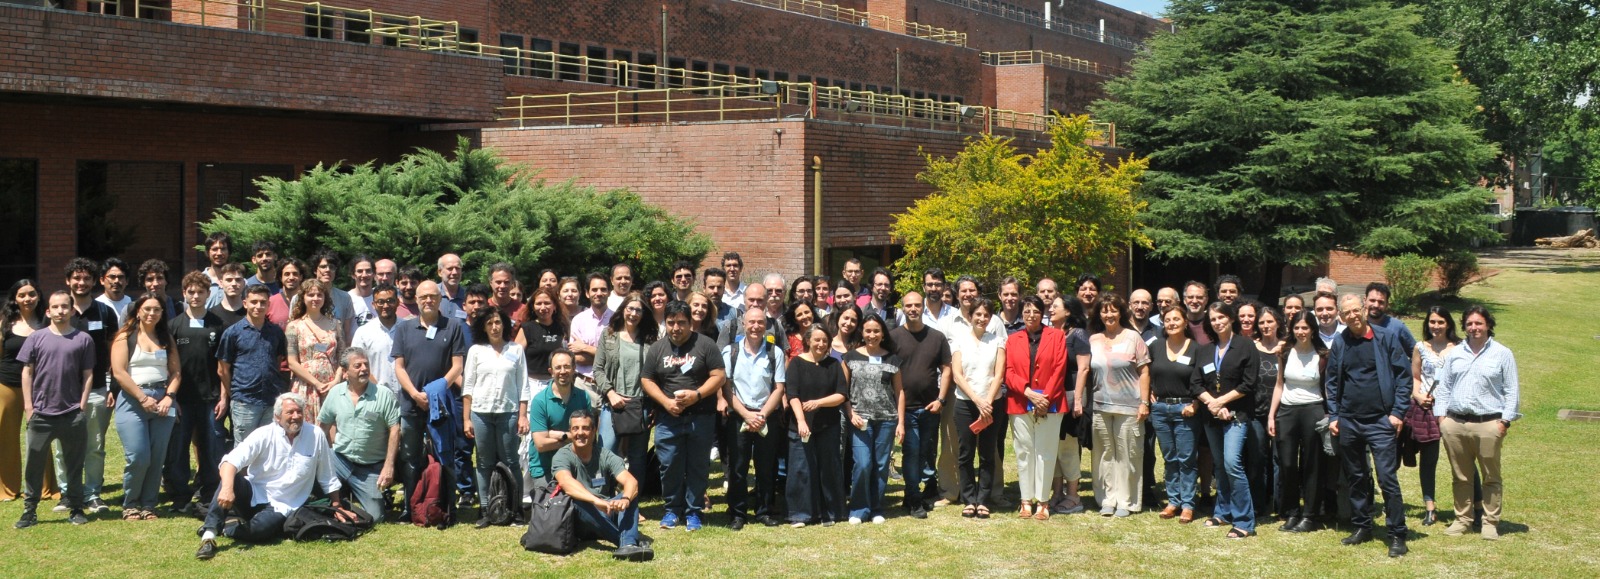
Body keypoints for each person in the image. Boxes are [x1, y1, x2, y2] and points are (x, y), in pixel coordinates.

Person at [195, 393, 355, 560]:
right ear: (277, 417)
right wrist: (227, 489)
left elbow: (327, 476)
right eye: (290, 412)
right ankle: (209, 535)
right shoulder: (264, 434)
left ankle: (228, 528)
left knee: (259, 532)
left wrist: (337, 506)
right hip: (254, 493)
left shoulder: (316, 435)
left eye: (299, 412)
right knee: (231, 479)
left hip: (282, 505)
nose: (296, 417)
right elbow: (230, 461)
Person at [1325, 294, 1413, 557]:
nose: (1352, 315)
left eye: (1356, 310)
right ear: (1341, 317)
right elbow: (1331, 381)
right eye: (1347, 312)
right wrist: (1334, 416)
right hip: (1349, 421)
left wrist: (1397, 413)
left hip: (1380, 421)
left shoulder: (1385, 338)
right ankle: (1362, 526)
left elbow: (1404, 377)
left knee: (1387, 479)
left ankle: (1397, 533)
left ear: (1364, 309)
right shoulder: (1340, 342)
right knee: (1356, 477)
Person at [640, 301, 726, 532]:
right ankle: (672, 510)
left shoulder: (705, 345)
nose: (676, 327)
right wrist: (666, 402)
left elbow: (719, 375)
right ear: (665, 323)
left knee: (698, 465)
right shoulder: (658, 348)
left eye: (681, 322)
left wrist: (697, 395)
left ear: (690, 323)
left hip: (701, 416)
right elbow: (646, 379)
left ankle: (694, 512)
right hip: (668, 418)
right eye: (671, 322)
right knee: (669, 465)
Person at [1435, 305, 1518, 541]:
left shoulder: (1503, 353)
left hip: (1489, 424)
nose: (1474, 328)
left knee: (1491, 477)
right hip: (1456, 423)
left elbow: (1511, 391)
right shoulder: (1455, 353)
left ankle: (1490, 522)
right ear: (1464, 326)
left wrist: (1504, 422)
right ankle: (1463, 519)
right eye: (1470, 324)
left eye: (1478, 323)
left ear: (1488, 325)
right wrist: (1442, 419)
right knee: (1461, 476)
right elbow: (1445, 388)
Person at [14, 291, 95, 529]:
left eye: (64, 307)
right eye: (55, 307)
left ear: (71, 310)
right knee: (34, 465)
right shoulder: (36, 338)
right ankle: (30, 510)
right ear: (48, 311)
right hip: (40, 414)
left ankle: (76, 507)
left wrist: (82, 404)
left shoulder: (83, 339)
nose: (60, 311)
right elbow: (26, 372)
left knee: (74, 463)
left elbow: (88, 375)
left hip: (71, 413)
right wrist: (29, 407)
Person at [390, 280, 468, 511]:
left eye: (433, 296)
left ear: (440, 298)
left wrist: (434, 392)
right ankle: (410, 506)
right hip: (411, 403)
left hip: (441, 403)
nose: (428, 300)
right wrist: (416, 394)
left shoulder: (452, 326)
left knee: (445, 454)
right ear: (416, 298)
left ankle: (447, 505)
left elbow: (457, 366)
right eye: (423, 296)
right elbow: (399, 367)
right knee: (410, 457)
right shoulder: (404, 327)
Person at [109, 293, 181, 521]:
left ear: (162, 313)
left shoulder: (165, 337)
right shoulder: (124, 337)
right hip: (133, 401)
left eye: (157, 310)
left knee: (157, 457)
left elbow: (176, 372)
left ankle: (149, 505)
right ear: (138, 311)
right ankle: (131, 504)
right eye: (147, 309)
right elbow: (119, 372)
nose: (152, 313)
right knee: (139, 456)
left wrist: (169, 396)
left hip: (163, 401)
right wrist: (142, 398)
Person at [550, 409, 654, 561]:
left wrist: (624, 499)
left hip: (607, 512)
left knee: (631, 495)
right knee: (575, 499)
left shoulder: (605, 455)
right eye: (575, 428)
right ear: (570, 432)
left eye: (585, 428)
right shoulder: (562, 455)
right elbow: (566, 483)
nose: (580, 433)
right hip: (581, 519)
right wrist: (596, 501)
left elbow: (631, 481)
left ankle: (629, 545)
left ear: (594, 431)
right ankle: (626, 542)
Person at [1083, 293, 1151, 518]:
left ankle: (1126, 500)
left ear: (1121, 312)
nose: (1109, 314)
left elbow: (1144, 371)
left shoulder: (1133, 337)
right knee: (1104, 455)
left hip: (1130, 407)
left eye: (1113, 310)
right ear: (1099, 314)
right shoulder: (1094, 339)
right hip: (1101, 406)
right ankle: (1107, 499)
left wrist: (1144, 402)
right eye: (1104, 310)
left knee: (1128, 455)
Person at [165, 272, 228, 515]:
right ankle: (180, 494)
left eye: (200, 292)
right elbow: (170, 366)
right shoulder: (174, 325)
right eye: (190, 292)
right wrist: (172, 398)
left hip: (211, 398)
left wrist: (224, 396)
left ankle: (209, 491)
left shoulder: (218, 324)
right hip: (182, 399)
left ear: (207, 294)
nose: (195, 296)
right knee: (179, 447)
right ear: (184, 294)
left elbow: (223, 366)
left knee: (210, 446)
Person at [1196, 301, 1259, 539]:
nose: (1217, 322)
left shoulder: (1245, 346)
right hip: (1211, 416)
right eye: (1213, 319)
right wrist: (1212, 404)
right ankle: (1222, 512)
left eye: (1221, 317)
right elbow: (1196, 383)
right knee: (1220, 465)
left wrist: (1221, 402)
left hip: (1237, 416)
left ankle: (1244, 521)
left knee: (1233, 464)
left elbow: (1248, 383)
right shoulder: (1205, 349)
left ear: (1230, 318)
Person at [720, 308, 787, 529]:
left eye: (760, 322)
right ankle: (737, 513)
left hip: (765, 415)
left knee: (766, 467)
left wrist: (762, 415)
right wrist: (747, 415)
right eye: (752, 322)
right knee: (738, 468)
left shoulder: (775, 352)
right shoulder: (731, 351)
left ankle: (764, 511)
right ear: (744, 324)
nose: (756, 326)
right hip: (740, 416)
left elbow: (778, 388)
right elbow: (727, 388)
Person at [461, 309, 529, 526]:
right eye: (489, 323)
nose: (494, 327)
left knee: (511, 462)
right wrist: (466, 418)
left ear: (504, 325)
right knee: (483, 462)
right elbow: (468, 386)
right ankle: (485, 509)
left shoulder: (516, 350)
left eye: (498, 322)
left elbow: (523, 385)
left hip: (508, 413)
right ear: (483, 326)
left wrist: (522, 415)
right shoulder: (476, 351)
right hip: (480, 413)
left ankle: (515, 508)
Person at [316, 347, 400, 520]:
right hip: (340, 460)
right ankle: (341, 500)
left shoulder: (384, 395)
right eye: (358, 366)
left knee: (376, 517)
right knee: (312, 486)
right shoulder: (335, 393)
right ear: (345, 372)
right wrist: (315, 458)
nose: (364, 369)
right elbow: (322, 428)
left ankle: (345, 498)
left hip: (370, 467)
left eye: (366, 364)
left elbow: (395, 429)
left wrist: (389, 466)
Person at [63, 258, 118, 514]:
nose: (81, 282)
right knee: (64, 445)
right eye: (76, 278)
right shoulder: (59, 311)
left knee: (95, 444)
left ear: (94, 282)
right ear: (68, 281)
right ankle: (67, 493)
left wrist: (111, 387)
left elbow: (113, 352)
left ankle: (93, 494)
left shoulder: (105, 312)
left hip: (97, 387)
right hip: (63, 392)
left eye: (86, 278)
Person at [1005, 296, 1068, 520]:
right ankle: (1025, 500)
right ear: (1022, 314)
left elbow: (1059, 369)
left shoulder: (1057, 336)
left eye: (1036, 311)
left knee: (1046, 452)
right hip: (1020, 402)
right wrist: (1028, 392)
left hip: (1051, 404)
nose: (1031, 315)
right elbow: (1009, 371)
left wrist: (1045, 398)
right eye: (1027, 311)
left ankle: (1043, 501)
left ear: (1043, 314)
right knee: (1024, 452)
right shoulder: (1013, 339)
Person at [889, 292, 950, 519]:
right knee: (911, 452)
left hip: (930, 407)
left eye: (917, 305)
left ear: (923, 307)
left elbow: (946, 369)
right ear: (903, 308)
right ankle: (915, 499)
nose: (913, 309)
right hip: (906, 408)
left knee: (925, 453)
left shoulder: (937, 337)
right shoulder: (893, 337)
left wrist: (941, 399)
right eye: (908, 305)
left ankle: (912, 492)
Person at [841, 314, 903, 525]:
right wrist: (851, 414)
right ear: (862, 332)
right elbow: (843, 391)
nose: (872, 335)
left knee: (881, 464)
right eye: (868, 331)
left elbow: (900, 392)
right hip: (860, 419)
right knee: (863, 463)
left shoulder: (892, 359)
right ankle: (858, 509)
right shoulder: (850, 357)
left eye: (876, 331)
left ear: (883, 333)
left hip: (886, 419)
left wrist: (900, 422)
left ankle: (876, 508)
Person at [1269, 310, 1327, 533]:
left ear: (1313, 329)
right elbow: (1279, 385)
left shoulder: (1322, 354)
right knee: (1287, 463)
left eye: (1305, 327)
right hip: (1287, 411)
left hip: (1313, 410)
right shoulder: (1284, 351)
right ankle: (1291, 512)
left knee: (1311, 465)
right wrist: (1271, 415)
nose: (1301, 332)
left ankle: (1309, 515)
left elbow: (1328, 389)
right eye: (1297, 328)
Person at [785, 324, 848, 527]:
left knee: (828, 468)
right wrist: (801, 420)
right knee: (801, 469)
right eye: (817, 340)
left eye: (824, 340)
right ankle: (800, 515)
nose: (821, 344)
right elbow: (792, 394)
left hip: (828, 424)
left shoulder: (834, 364)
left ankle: (830, 513)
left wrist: (818, 403)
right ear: (808, 341)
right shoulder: (796, 363)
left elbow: (841, 394)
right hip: (801, 425)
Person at [594, 292, 657, 490]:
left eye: (638, 310)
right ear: (623, 310)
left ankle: (631, 501)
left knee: (637, 456)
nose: (634, 313)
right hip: (612, 403)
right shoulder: (609, 333)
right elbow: (598, 369)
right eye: (630, 308)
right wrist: (610, 393)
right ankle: (603, 495)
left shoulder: (650, 338)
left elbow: (656, 374)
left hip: (640, 404)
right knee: (606, 451)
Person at [949, 297, 1005, 519]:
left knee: (988, 453)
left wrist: (988, 402)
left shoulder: (998, 341)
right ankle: (968, 499)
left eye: (986, 315)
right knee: (965, 453)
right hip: (965, 404)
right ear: (970, 316)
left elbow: (999, 374)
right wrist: (977, 400)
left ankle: (983, 500)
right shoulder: (958, 341)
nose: (982, 318)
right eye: (978, 314)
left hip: (992, 404)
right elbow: (957, 375)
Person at [1149, 306, 1203, 523]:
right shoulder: (1156, 347)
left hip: (1186, 410)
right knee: (1169, 457)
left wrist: (1196, 404)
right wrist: (1149, 394)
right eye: (1167, 320)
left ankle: (1188, 504)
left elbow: (1203, 381)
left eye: (1176, 319)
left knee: (1187, 459)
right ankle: (1173, 501)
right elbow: (1145, 372)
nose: (1171, 323)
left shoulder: (1197, 349)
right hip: (1161, 410)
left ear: (1185, 322)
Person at [217, 285, 289, 441]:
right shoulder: (233, 333)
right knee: (244, 448)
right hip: (245, 401)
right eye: (254, 302)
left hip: (271, 399)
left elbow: (276, 362)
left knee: (268, 447)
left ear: (268, 305)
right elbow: (223, 369)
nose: (258, 306)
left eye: (263, 302)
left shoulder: (275, 332)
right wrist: (234, 394)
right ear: (245, 303)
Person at [1406, 306, 1457, 527]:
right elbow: (1415, 376)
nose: (1436, 326)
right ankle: (1430, 507)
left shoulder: (1459, 348)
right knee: (1429, 461)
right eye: (1432, 322)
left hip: (1452, 410)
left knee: (1461, 459)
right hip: (1426, 410)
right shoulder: (1420, 347)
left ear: (1448, 324)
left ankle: (1475, 504)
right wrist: (1417, 396)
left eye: (1440, 322)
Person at [1, 280, 46, 501]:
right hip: (6, 386)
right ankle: (7, 489)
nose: (27, 299)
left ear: (38, 296)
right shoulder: (4, 324)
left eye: (31, 294)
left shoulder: (47, 322)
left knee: (43, 437)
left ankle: (47, 489)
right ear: (14, 299)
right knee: (6, 438)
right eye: (22, 295)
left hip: (40, 388)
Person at [528, 349, 591, 487]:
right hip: (544, 468)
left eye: (567, 366)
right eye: (558, 367)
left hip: (575, 464)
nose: (563, 371)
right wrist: (571, 437)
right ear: (551, 371)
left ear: (574, 368)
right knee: (552, 507)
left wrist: (552, 433)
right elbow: (540, 444)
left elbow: (589, 436)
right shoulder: (539, 401)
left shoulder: (583, 397)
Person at [285, 279, 344, 425]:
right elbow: (292, 362)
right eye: (311, 295)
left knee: (333, 429)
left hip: (332, 385)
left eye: (319, 295)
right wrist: (317, 384)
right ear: (303, 298)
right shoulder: (294, 326)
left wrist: (336, 381)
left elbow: (343, 356)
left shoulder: (335, 324)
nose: (315, 299)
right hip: (306, 387)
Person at [1246, 304, 1283, 518]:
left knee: (1279, 459)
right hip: (1256, 411)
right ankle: (1258, 504)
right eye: (1262, 322)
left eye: (1269, 321)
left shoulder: (1286, 347)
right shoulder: (1251, 347)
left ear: (1278, 322)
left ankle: (1279, 504)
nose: (1266, 325)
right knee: (1257, 458)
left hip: (1281, 412)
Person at [569, 273, 612, 381]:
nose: (599, 293)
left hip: (611, 383)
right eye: (594, 290)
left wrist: (584, 347)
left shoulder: (618, 320)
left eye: (603, 289)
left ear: (609, 293)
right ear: (587, 293)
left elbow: (618, 356)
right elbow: (576, 358)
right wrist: (606, 356)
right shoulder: (578, 320)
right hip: (584, 384)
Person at [310, 250, 357, 339]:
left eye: (331, 267)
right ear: (315, 270)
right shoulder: (301, 297)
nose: (328, 270)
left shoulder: (345, 298)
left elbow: (347, 334)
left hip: (336, 349)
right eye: (323, 267)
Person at [1365, 283, 1417, 354]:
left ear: (1387, 304)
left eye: (1381, 302)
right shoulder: (1356, 326)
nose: (1376, 305)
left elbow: (1415, 353)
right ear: (1365, 300)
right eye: (1372, 300)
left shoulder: (1397, 327)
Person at [266, 258, 306, 328]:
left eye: (295, 274)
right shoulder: (270, 302)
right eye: (287, 274)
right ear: (281, 278)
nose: (291, 277)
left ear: (301, 277)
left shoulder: (308, 301)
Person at [208, 263, 248, 329]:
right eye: (229, 280)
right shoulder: (211, 314)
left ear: (244, 283)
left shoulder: (251, 313)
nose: (234, 284)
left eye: (238, 280)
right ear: (221, 283)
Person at [96, 258, 133, 325]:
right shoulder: (96, 306)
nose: (116, 281)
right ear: (102, 280)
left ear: (127, 281)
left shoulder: (133, 304)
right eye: (112, 277)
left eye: (121, 277)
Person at [201, 232, 233, 309]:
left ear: (229, 252)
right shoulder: (199, 281)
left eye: (223, 249)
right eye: (215, 249)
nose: (219, 253)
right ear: (207, 252)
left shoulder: (238, 282)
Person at [347, 255, 376, 325]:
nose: (364, 275)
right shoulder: (346, 299)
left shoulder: (380, 297)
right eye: (360, 271)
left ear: (374, 274)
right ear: (353, 275)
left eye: (368, 271)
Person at [1181, 281, 1212, 346]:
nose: (1194, 301)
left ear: (1206, 300)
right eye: (1190, 297)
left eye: (1199, 297)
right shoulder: (1179, 324)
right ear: (1184, 300)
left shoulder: (1212, 323)